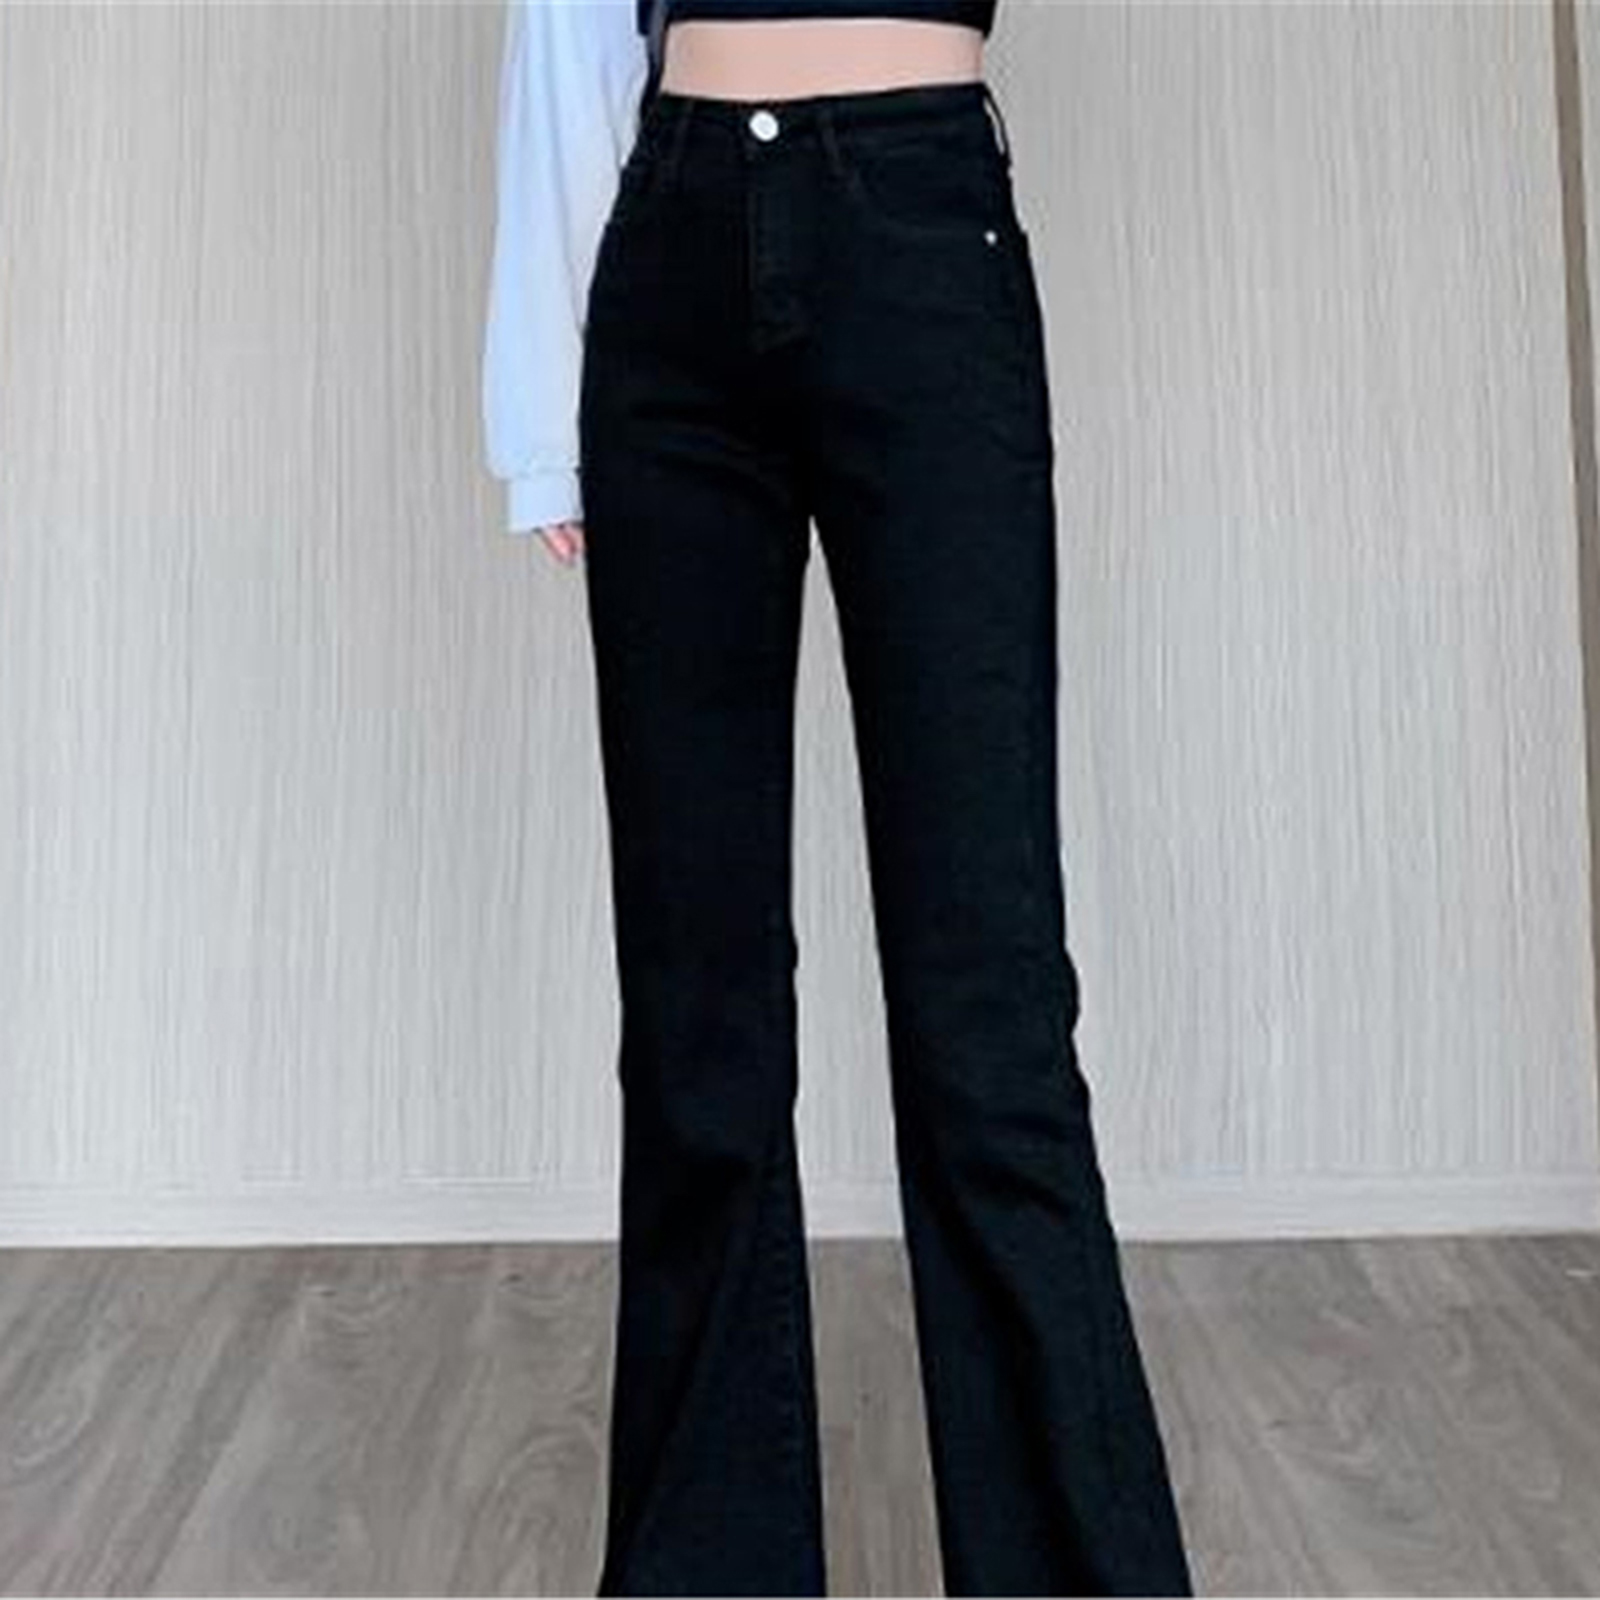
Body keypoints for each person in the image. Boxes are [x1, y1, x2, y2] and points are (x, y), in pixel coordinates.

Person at [482, 3, 1196, 1595]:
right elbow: (569, 22)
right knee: (697, 1015)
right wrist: (543, 412)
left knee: (989, 1008)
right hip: (669, 252)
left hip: (921, 227)